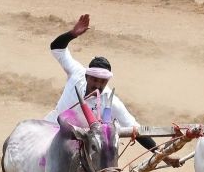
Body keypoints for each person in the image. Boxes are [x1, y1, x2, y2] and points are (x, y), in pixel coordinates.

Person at [47, 15, 177, 162]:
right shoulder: (77, 73)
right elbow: (57, 48)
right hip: (50, 132)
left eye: (102, 82)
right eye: (94, 80)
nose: (97, 85)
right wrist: (72, 34)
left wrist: (162, 155)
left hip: (79, 149)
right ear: (86, 76)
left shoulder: (110, 101)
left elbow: (134, 128)